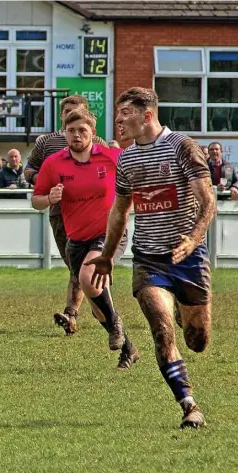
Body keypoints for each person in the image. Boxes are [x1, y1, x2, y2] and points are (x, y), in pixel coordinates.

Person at [87, 87, 215, 429]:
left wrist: (194, 238)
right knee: (161, 329)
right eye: (116, 116)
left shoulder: (182, 147)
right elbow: (119, 211)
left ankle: (181, 305)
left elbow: (208, 201)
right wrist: (107, 255)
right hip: (148, 258)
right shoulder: (126, 159)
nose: (118, 121)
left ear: (147, 115)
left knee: (197, 341)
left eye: (124, 114)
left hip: (188, 259)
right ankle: (189, 405)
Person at [32, 108, 139, 369]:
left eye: (82, 130)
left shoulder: (112, 157)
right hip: (76, 239)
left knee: (87, 278)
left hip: (109, 232)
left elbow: (138, 185)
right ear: (65, 133)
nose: (77, 135)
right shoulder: (54, 163)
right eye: (71, 131)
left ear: (93, 132)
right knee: (96, 304)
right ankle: (128, 348)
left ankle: (115, 326)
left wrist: (130, 207)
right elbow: (36, 200)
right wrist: (49, 199)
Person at [24, 94, 106, 336]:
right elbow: (29, 169)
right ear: (61, 116)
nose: (72, 114)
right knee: (74, 265)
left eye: (78, 111)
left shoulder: (97, 142)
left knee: (82, 267)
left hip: (91, 212)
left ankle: (71, 313)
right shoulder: (47, 143)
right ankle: (97, 304)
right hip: (60, 212)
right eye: (68, 111)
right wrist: (42, 181)